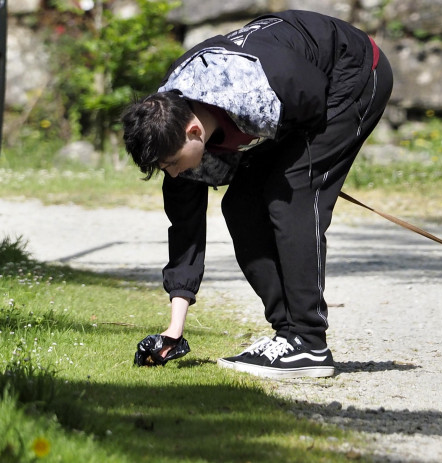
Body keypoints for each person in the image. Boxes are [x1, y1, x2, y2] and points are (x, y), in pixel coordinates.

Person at [123, 10, 393, 378]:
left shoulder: (261, 89)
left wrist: (313, 171)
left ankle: (309, 343)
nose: (172, 172)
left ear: (194, 132)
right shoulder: (168, 119)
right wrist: (174, 329)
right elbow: (185, 227)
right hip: (295, 91)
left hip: (352, 71)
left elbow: (312, 108)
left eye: (171, 163)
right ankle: (288, 336)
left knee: (292, 190)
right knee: (241, 203)